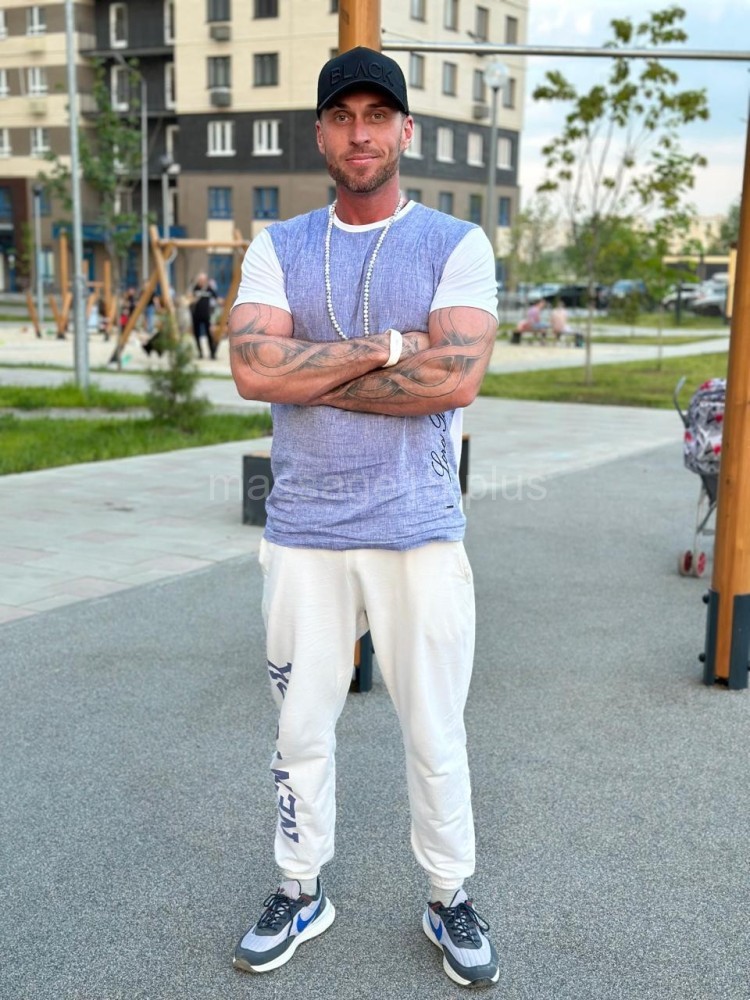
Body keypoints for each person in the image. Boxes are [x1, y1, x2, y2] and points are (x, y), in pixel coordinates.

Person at [227, 47, 500, 988]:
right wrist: (389, 348)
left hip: (418, 527)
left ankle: (448, 895)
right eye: (342, 116)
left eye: (377, 115)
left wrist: (308, 371)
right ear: (320, 133)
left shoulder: (456, 244)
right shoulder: (279, 245)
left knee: (435, 731)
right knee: (300, 731)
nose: (360, 133)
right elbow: (253, 370)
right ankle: (300, 888)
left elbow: (453, 379)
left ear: (405, 130)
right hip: (304, 530)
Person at [190, 272, 218, 358]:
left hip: (206, 315)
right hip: (196, 315)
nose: (201, 282)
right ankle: (200, 353)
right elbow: (189, 299)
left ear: (206, 280)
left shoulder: (209, 288)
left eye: (203, 280)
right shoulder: (195, 288)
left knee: (209, 334)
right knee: (197, 334)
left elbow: (216, 297)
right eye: (200, 280)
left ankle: (212, 353)